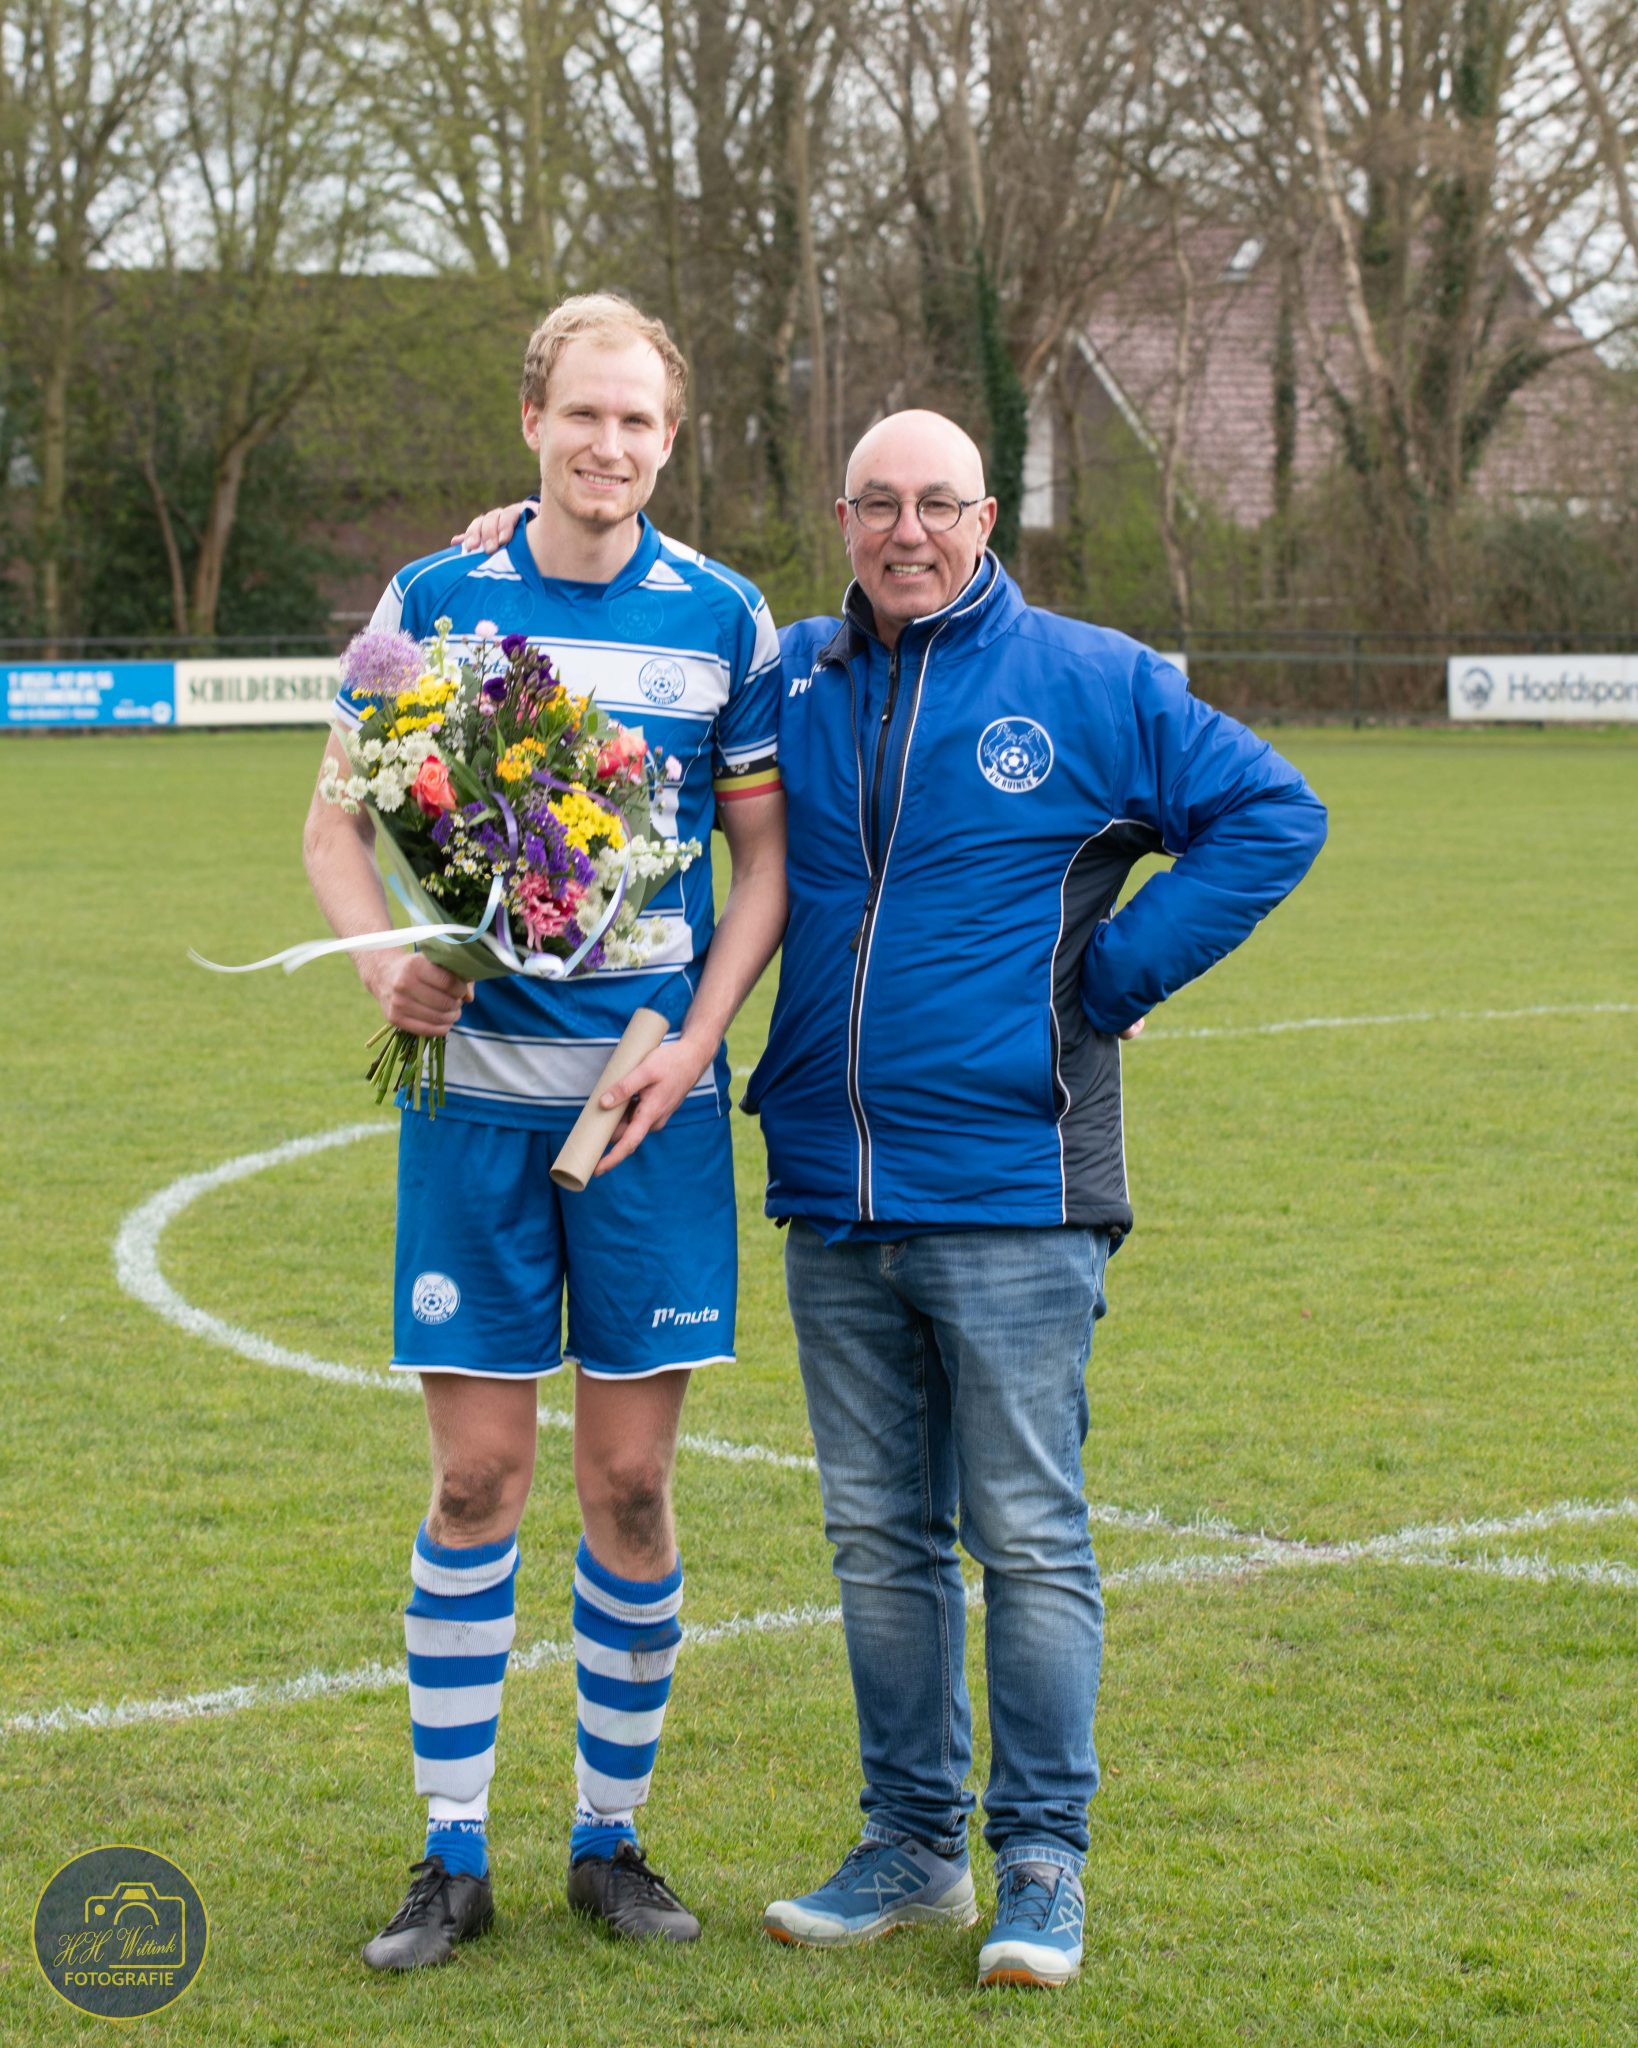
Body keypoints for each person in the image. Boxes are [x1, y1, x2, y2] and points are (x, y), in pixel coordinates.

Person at [459, 406, 1326, 1990]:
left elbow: (1274, 816)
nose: (906, 531)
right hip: (834, 1185)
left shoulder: (1095, 680)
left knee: (1027, 1536)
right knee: (876, 1541)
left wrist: (1116, 975)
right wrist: (495, 561)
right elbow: (612, 650)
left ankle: (1040, 1864)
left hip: (1014, 1181)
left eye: (938, 504)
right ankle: (911, 1848)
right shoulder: (795, 668)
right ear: (841, 516)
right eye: (877, 504)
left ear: (986, 517)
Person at [303, 294, 787, 1970]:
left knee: (632, 1491)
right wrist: (385, 958)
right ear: (531, 421)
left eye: (638, 423)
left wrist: (700, 1041)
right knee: (477, 1478)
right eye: (583, 416)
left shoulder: (728, 620)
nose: (609, 447)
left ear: (670, 437)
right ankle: (450, 1856)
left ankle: (608, 1835)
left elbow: (767, 867)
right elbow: (335, 822)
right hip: (474, 1114)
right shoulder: (436, 601)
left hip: (646, 1118)